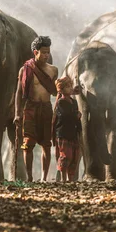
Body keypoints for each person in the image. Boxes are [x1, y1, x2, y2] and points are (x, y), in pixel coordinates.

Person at [15, 36, 58, 182]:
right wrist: (17, 114)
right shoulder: (25, 70)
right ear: (35, 52)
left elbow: (54, 92)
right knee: (28, 144)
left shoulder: (53, 70)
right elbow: (19, 93)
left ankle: (44, 178)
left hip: (46, 108)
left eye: (48, 52)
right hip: (30, 108)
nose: (47, 55)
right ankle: (30, 177)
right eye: (44, 52)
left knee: (46, 144)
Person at [52, 76, 82, 182]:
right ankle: (63, 179)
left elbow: (76, 117)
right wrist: (76, 115)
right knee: (66, 156)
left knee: (74, 157)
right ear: (61, 89)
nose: (70, 88)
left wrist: (79, 129)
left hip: (73, 134)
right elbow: (65, 115)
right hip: (63, 133)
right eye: (67, 87)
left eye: (70, 86)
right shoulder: (61, 102)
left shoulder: (74, 102)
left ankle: (70, 179)